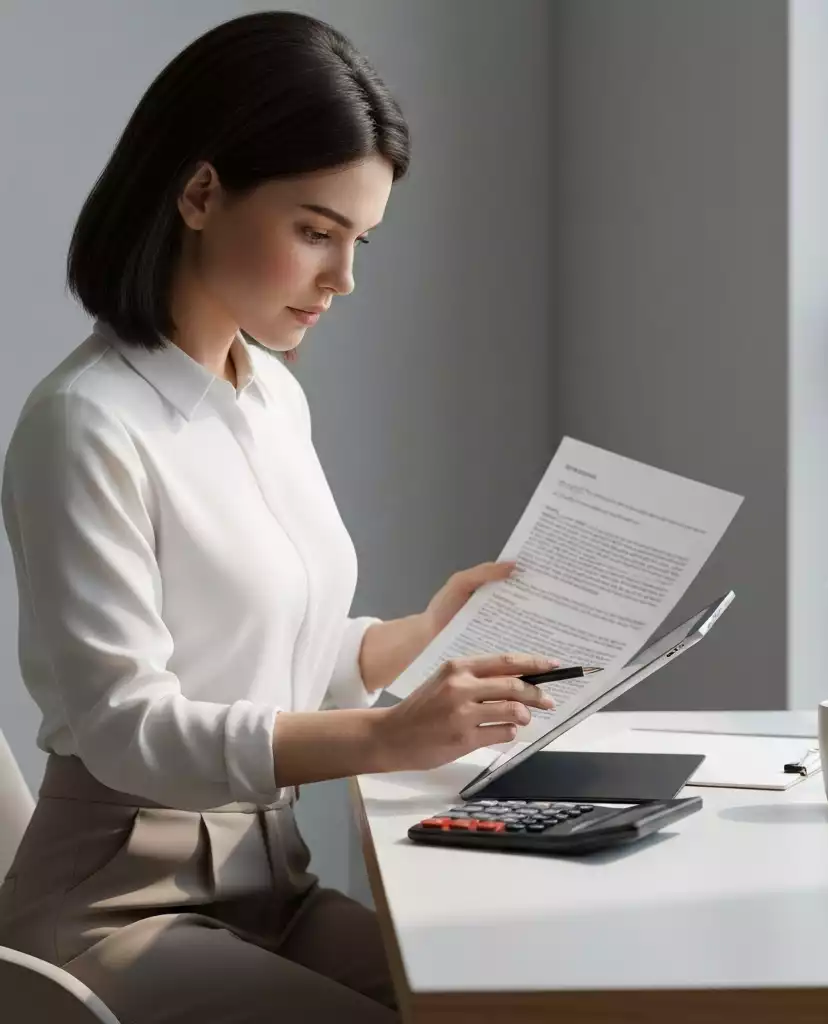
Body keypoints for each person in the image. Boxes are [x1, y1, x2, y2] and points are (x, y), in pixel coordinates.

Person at [0, 12, 556, 1023]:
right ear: (201, 192)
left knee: (504, 998)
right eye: (314, 231)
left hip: (270, 883)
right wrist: (385, 742)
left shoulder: (268, 395)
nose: (342, 279)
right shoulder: (85, 423)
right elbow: (129, 728)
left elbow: (271, 654)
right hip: (119, 911)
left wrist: (422, 635)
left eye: (360, 241)